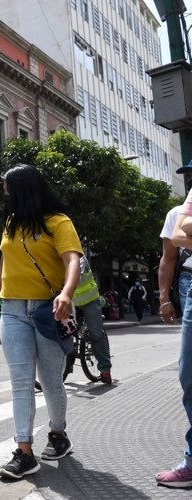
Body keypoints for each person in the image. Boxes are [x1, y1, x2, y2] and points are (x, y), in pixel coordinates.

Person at [0, 164, 81, 480]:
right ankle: (24, 452)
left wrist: (67, 294)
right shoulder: (11, 223)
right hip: (12, 310)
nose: (4, 195)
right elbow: (6, 256)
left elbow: (72, 260)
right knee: (20, 382)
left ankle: (58, 434)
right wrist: (2, 285)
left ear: (22, 191)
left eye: (7, 189)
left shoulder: (59, 222)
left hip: (49, 310)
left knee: (49, 380)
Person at [157, 172, 192, 488]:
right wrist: (165, 299)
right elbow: (170, 255)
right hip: (191, 282)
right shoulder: (177, 213)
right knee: (189, 374)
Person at [72, 256, 112, 384]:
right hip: (71, 302)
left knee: (96, 333)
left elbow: (75, 275)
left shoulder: (79, 257)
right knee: (62, 331)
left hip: (89, 301)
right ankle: (66, 364)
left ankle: (105, 370)